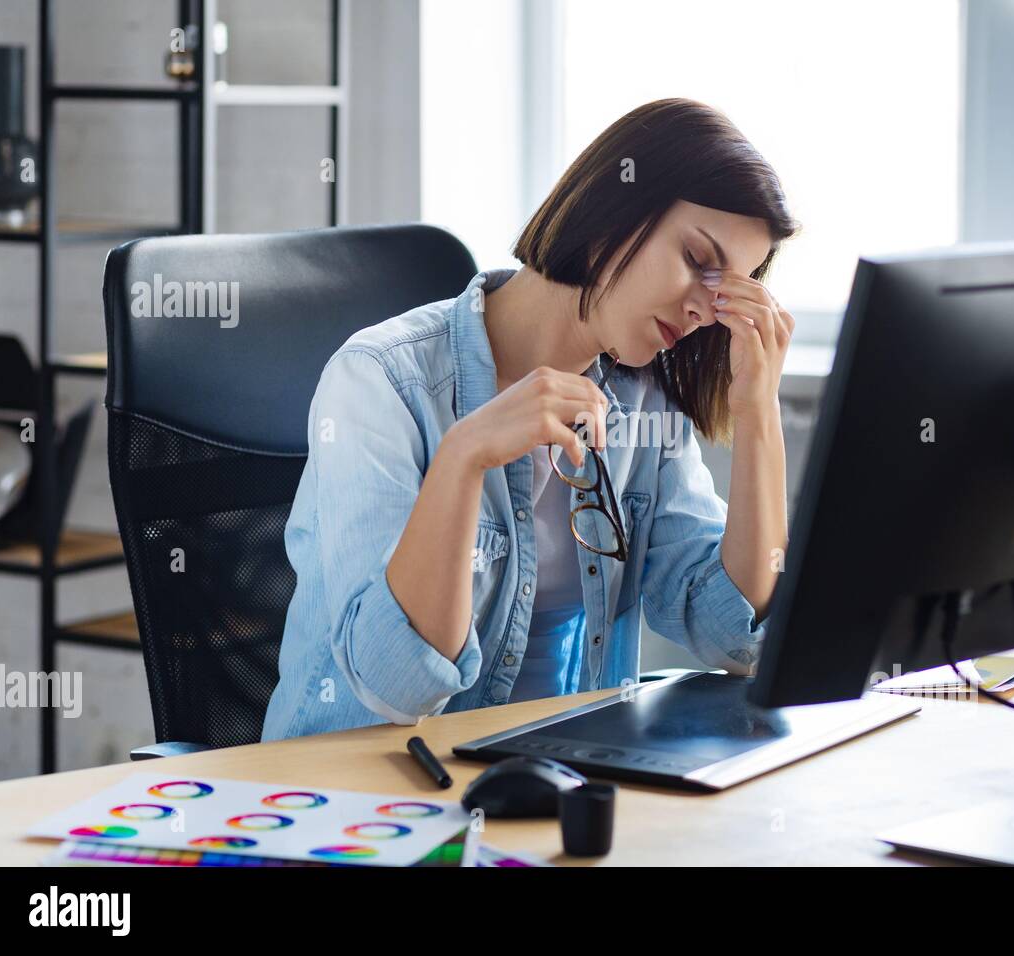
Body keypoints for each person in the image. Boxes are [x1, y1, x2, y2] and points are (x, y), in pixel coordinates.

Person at [261, 98, 800, 740]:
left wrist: (758, 415)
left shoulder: (643, 402)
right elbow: (397, 688)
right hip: (361, 804)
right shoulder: (380, 380)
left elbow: (733, 638)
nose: (701, 311)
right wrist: (464, 459)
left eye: (727, 290)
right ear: (614, 212)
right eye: (695, 259)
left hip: (556, 784)